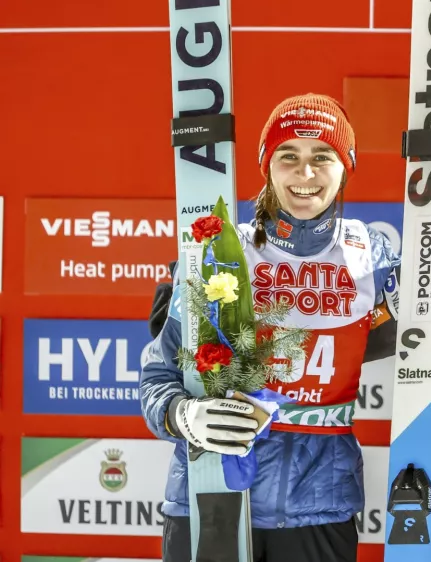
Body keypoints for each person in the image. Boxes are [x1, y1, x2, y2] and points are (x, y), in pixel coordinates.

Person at [140, 93, 400, 561]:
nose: (306, 174)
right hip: (210, 493)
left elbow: (426, 343)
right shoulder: (219, 249)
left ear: (346, 167)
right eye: (289, 156)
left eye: (323, 157)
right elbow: (158, 375)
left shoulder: (373, 254)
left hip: (320, 506)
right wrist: (183, 416)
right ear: (266, 166)